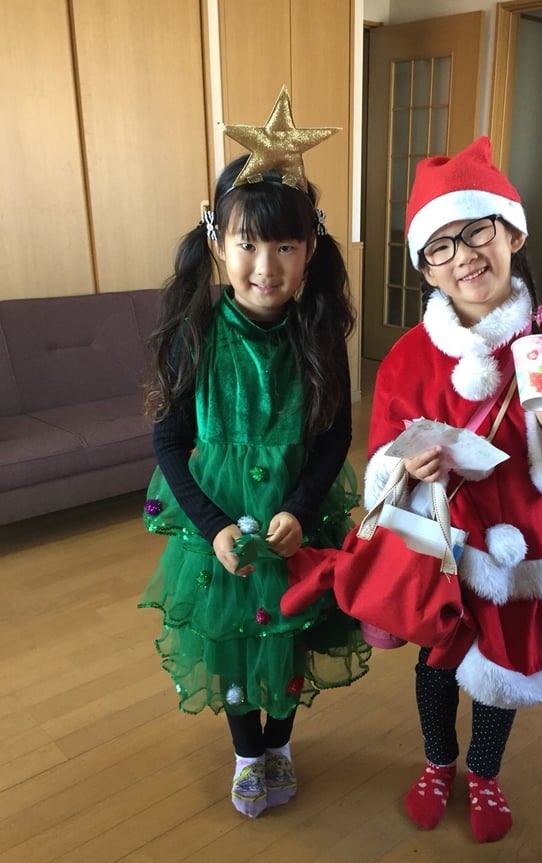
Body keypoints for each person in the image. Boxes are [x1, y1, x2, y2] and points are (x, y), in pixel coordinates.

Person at [364, 136, 542, 842]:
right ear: (426, 268)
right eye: (440, 246)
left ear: (513, 234)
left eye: (477, 231)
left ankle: (484, 772)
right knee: (437, 663)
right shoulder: (409, 356)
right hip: (444, 540)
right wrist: (410, 467)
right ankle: (438, 762)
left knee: (505, 666)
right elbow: (382, 456)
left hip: (524, 542)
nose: (464, 256)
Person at [139, 88, 370, 819]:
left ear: (310, 249)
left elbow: (335, 435)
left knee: (292, 635)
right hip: (222, 526)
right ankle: (247, 752)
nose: (265, 264)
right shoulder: (195, 334)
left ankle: (280, 745)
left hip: (296, 518)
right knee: (235, 641)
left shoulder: (320, 335)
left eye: (285, 246)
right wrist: (211, 525)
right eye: (248, 243)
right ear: (218, 243)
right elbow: (168, 440)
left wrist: (301, 508)